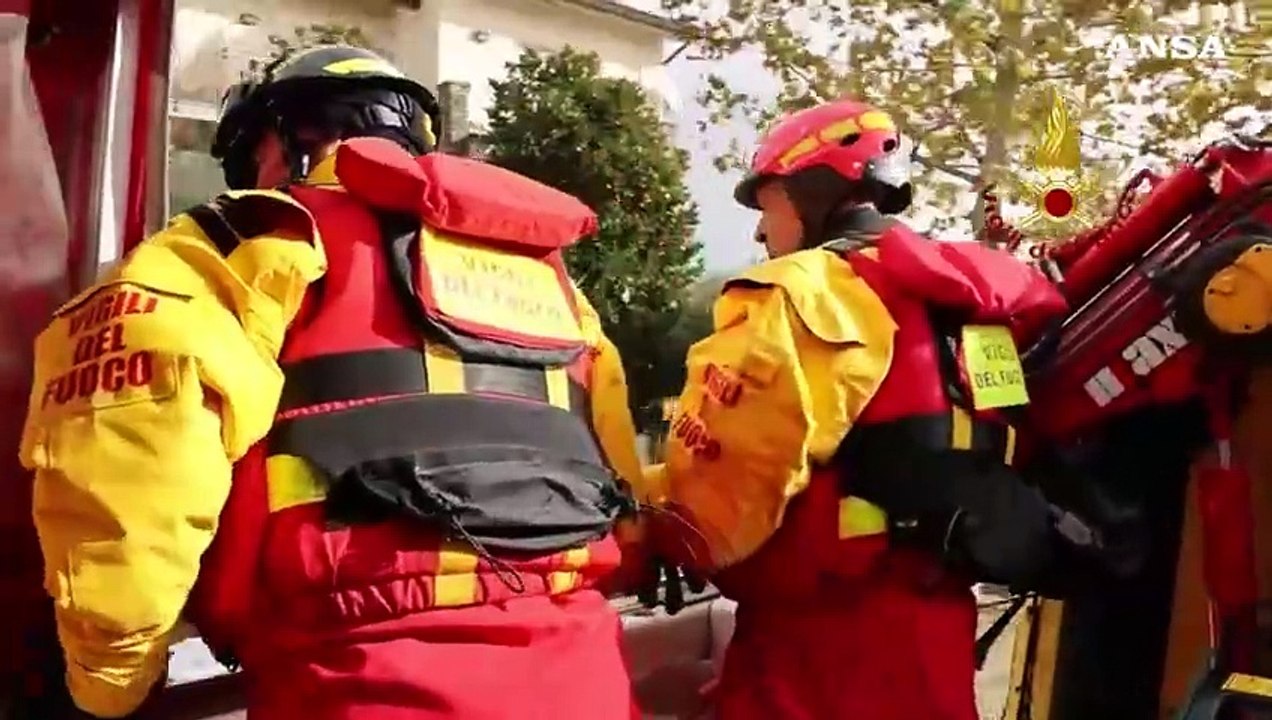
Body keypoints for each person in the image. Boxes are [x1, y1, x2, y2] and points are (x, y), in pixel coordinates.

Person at [20, 46, 648, 720]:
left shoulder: (243, 245)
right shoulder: (556, 290)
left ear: (289, 140)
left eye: (254, 159)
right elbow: (625, 497)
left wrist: (107, 681)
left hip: (351, 679)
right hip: (584, 679)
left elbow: (129, 467)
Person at [643, 98, 1141, 719]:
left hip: (815, 643)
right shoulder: (973, 298)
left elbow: (722, 485)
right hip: (937, 624)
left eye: (768, 206)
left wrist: (651, 529)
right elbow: (1009, 433)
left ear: (812, 193)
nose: (760, 232)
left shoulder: (798, 297)